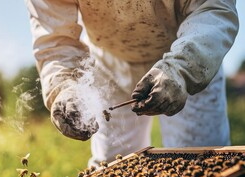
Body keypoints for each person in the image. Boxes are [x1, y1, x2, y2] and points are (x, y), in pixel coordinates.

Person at [25, 0, 239, 166]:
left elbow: (211, 8)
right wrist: (64, 86)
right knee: (112, 169)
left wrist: (182, 69)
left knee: (205, 163)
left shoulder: (188, 63)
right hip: (109, 66)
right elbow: (54, 37)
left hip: (191, 55)